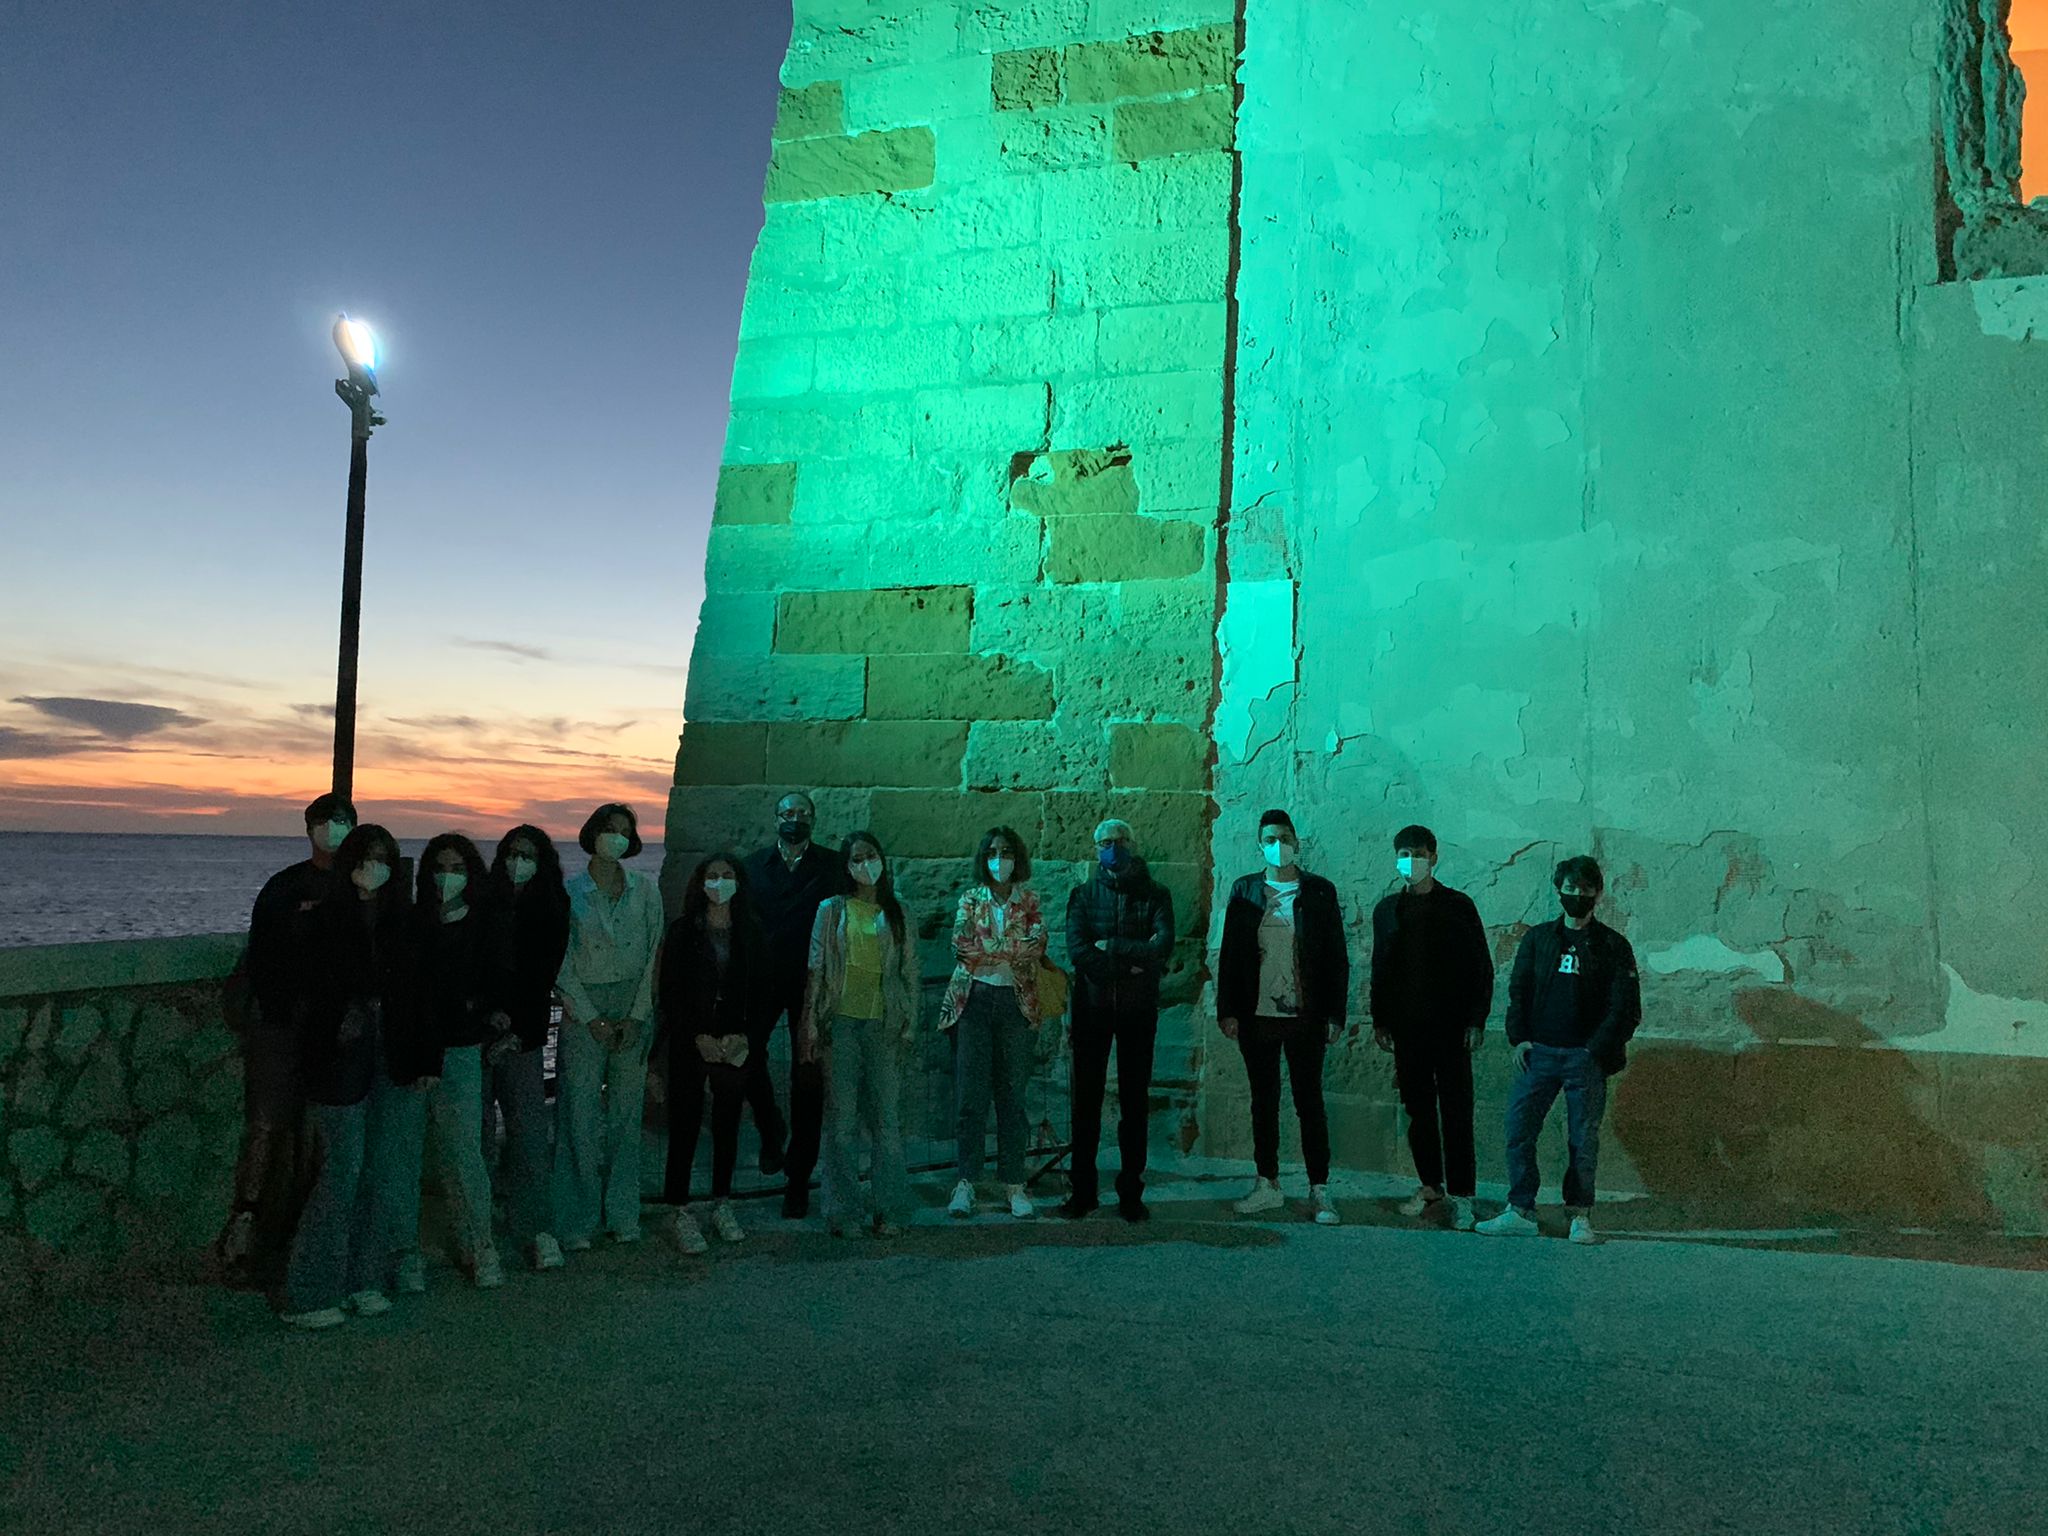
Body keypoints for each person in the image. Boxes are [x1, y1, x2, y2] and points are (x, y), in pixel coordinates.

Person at [364, 833, 512, 1296]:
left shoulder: (483, 924)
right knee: (400, 1155)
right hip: (408, 1053)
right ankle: (404, 1252)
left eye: (457, 867)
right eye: (439, 867)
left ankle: (478, 1244)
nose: (448, 876)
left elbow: (494, 982)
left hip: (461, 1052)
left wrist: (488, 1013)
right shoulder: (410, 924)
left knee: (463, 1153)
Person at [219, 791, 355, 1280]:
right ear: (309, 827)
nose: (333, 828)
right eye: (326, 820)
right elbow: (260, 957)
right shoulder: (283, 887)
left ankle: (306, 1239)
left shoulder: (361, 887)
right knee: (267, 1127)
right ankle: (246, 1227)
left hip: (335, 1035)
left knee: (320, 1137)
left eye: (342, 820)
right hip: (279, 1029)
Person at [279, 823, 410, 1329]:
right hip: (339, 1056)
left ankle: (364, 1277)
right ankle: (310, 1288)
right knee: (341, 1169)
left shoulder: (400, 920)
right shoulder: (322, 920)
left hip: (387, 1050)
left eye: (382, 858)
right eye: (365, 856)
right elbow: (308, 991)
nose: (373, 867)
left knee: (379, 1168)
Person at [1478, 856, 1642, 1245]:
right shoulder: (1538, 939)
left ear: (1597, 893)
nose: (1577, 895)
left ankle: (1579, 1214)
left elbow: (1625, 1008)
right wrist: (1519, 1038)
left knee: (1583, 1140)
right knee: (1518, 1130)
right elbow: (1518, 990)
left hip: (1584, 1059)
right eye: (1570, 888)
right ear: (1559, 890)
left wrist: (1594, 1051)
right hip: (1539, 1055)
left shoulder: (1613, 946)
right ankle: (1520, 1209)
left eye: (1585, 889)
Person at [1216, 809, 1349, 1226]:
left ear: (1296, 840)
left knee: (1309, 1102)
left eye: (1285, 836)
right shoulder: (1245, 890)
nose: (1278, 844)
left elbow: (1335, 957)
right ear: (1260, 844)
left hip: (1305, 1015)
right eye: (1270, 838)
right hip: (1258, 1015)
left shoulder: (1319, 892)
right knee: (1264, 1101)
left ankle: (1319, 1189)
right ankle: (1267, 1184)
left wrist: (1334, 1013)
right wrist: (1228, 1010)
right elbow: (1231, 955)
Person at [1369, 825, 1495, 1232]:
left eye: (1418, 852)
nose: (1411, 860)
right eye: (1404, 853)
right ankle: (1430, 1186)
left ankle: (1463, 1195)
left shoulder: (1458, 906)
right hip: (1408, 1028)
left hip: (1452, 1027)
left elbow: (1481, 967)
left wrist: (1477, 1019)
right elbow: (1380, 968)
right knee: (1417, 1109)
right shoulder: (1387, 910)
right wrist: (1380, 1019)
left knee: (1457, 1110)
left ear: (1434, 857)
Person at [552, 802, 666, 1249]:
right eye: (608, 828)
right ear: (592, 834)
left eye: (624, 830)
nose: (616, 837)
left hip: (633, 1005)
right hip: (585, 1009)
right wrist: (589, 1015)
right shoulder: (570, 893)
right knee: (577, 1114)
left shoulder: (646, 891)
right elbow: (560, 963)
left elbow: (654, 953)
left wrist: (638, 1016)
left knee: (625, 1115)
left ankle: (622, 1212)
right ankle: (576, 1215)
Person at [798, 833, 920, 1238]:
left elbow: (910, 972)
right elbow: (816, 966)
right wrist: (811, 1021)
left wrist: (910, 1021)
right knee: (842, 1121)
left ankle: (890, 1209)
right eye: (857, 858)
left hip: (883, 1024)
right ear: (846, 866)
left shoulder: (898, 910)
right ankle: (843, 1210)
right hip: (842, 1024)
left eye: (871, 855)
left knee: (886, 1120)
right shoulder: (831, 910)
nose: (865, 864)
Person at [657, 852, 771, 1254]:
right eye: (712, 875)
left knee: (727, 1123)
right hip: (693, 1038)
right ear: (699, 882)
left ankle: (722, 1202)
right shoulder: (683, 931)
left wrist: (747, 1038)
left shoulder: (751, 931)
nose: (719, 882)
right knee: (685, 1123)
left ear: (738, 882)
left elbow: (763, 994)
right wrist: (694, 1035)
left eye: (726, 875)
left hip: (734, 1040)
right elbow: (671, 991)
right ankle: (678, 1208)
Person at [1062, 818, 1173, 1222]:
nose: (1113, 847)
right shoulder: (1084, 895)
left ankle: (1131, 1192)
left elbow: (1162, 946)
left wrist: (1113, 946)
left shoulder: (1155, 895)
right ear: (1095, 849)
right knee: (1086, 1102)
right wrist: (1128, 966)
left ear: (1133, 843)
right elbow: (1077, 949)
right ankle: (1084, 1191)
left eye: (1120, 840)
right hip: (1092, 1009)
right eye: (1106, 842)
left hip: (1137, 1012)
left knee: (1134, 1101)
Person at [938, 826, 1047, 1221]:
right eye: (992, 852)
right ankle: (966, 1181)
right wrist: (1007, 953)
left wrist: (993, 952)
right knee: (971, 1097)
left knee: (1012, 1097)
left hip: (1015, 1004)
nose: (999, 859)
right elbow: (962, 948)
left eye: (1006, 852)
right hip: (974, 1002)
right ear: (983, 858)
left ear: (1017, 857)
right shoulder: (971, 899)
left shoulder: (1029, 900)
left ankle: (1013, 1182)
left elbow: (1036, 947)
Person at [743, 790, 837, 1218]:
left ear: (813, 819)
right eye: (787, 812)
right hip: (761, 980)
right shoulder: (752, 867)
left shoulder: (833, 866)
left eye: (801, 813)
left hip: (810, 981)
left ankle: (797, 1179)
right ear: (775, 818)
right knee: (746, 1056)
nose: (793, 819)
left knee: (808, 1080)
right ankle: (769, 1126)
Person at [487, 825, 571, 1271]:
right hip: (479, 1033)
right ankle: (481, 1232)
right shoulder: (484, 904)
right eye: (511, 853)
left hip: (525, 1036)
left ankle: (535, 1226)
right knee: (479, 1137)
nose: (517, 862)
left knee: (530, 1135)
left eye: (527, 854)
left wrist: (516, 1029)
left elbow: (541, 976)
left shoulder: (552, 909)